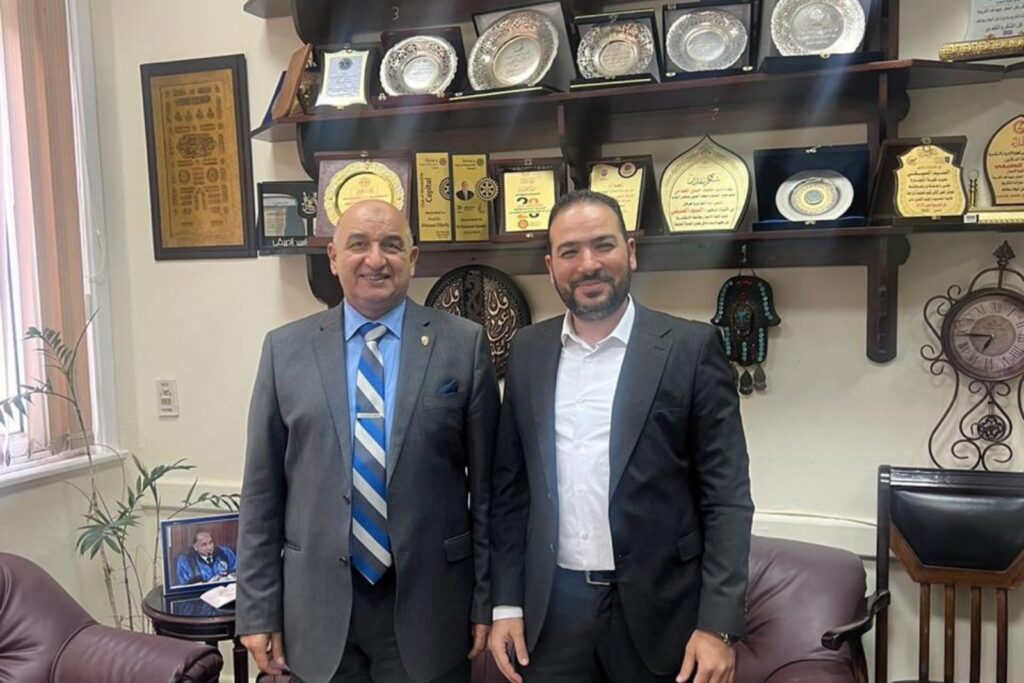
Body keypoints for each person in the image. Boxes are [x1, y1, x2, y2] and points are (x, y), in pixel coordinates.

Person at [488, 190, 754, 683]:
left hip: (663, 618)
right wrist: (506, 603)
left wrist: (718, 625)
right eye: (569, 251)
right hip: (551, 618)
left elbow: (727, 498)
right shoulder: (527, 350)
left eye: (603, 245)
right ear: (551, 266)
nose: (588, 264)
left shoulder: (690, 348)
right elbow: (510, 490)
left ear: (630, 251)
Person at [237, 200, 500, 683]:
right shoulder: (283, 350)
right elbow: (261, 493)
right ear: (334, 258)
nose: (375, 259)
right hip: (316, 608)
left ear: (413, 258)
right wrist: (256, 610)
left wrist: (487, 600)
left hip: (430, 605)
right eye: (358, 244)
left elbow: (487, 493)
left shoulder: (463, 345)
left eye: (391, 245)